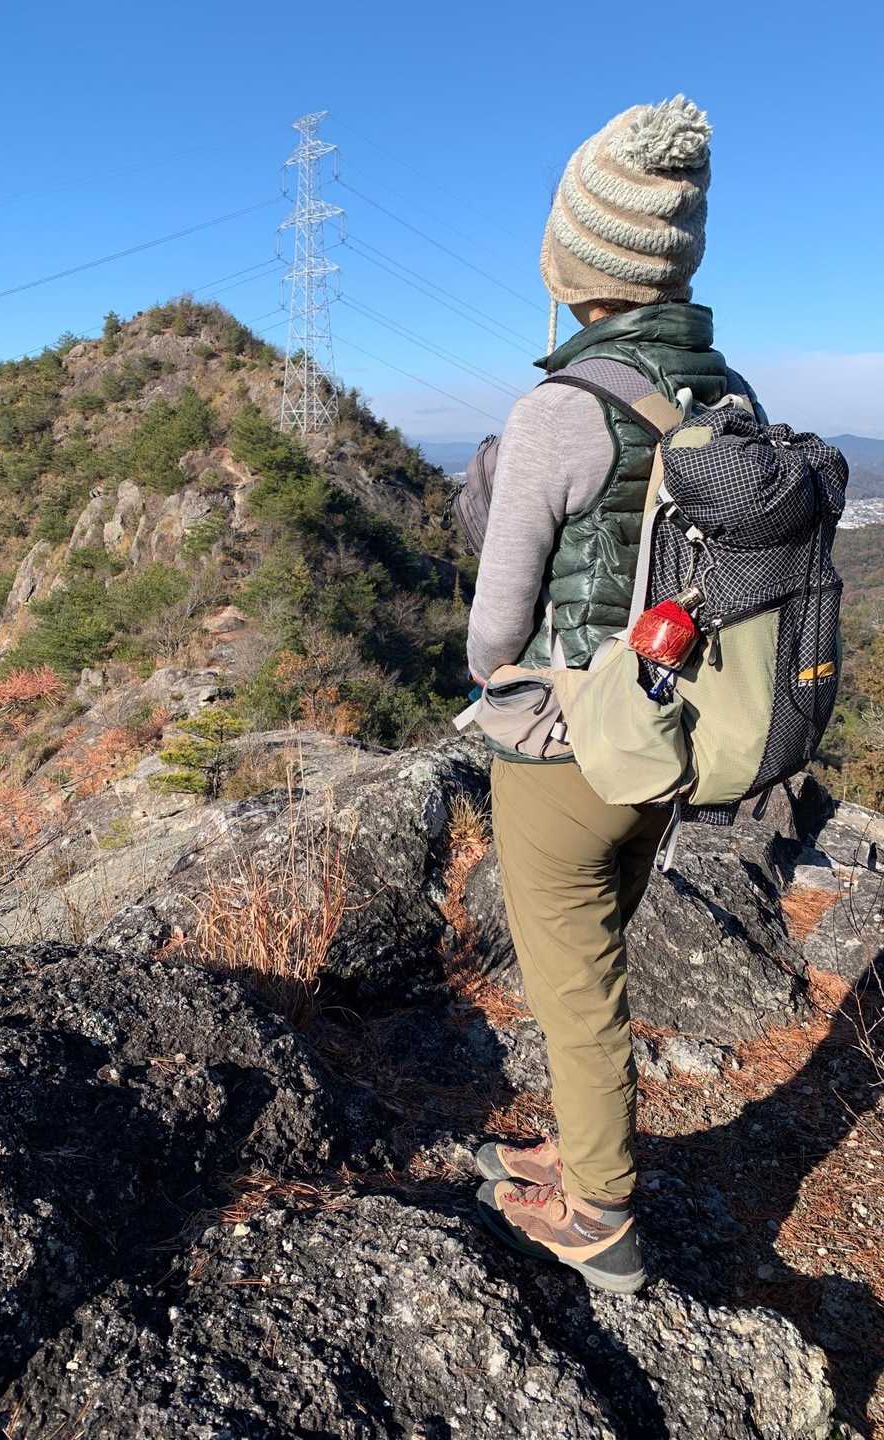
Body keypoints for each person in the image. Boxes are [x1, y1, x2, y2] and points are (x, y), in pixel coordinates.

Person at [469, 96, 763, 1294]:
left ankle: (598, 1215)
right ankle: (585, 1149)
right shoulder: (730, 398)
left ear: (574, 262)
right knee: (595, 961)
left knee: (575, 990)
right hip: (676, 736)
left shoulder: (558, 410)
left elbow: (496, 633)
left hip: (568, 750)